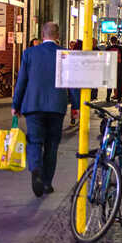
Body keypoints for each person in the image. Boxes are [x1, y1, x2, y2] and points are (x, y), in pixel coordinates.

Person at [12, 22, 76, 198]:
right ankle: (47, 183)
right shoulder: (65, 54)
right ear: (58, 35)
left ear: (42, 35)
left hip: (33, 105)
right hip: (56, 106)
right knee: (52, 145)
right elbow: (72, 83)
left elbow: (21, 81)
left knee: (34, 141)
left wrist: (15, 105)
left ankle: (36, 169)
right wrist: (76, 106)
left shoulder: (29, 53)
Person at [105, 36, 122, 102]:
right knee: (119, 83)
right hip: (119, 68)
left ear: (111, 41)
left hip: (110, 67)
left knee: (110, 83)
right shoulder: (121, 48)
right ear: (116, 41)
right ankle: (119, 98)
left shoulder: (108, 48)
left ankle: (108, 97)